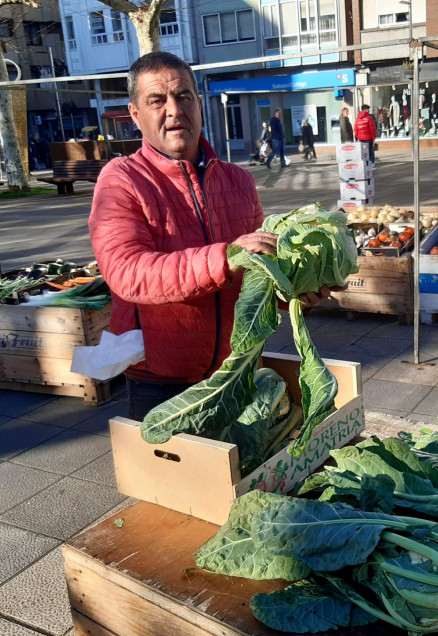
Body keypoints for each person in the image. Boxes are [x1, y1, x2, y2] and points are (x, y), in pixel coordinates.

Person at [87, 52, 330, 420]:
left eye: (184, 96)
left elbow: (257, 275)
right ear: (135, 114)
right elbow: (126, 272)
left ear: (198, 103)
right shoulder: (122, 179)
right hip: (160, 378)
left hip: (236, 369)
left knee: (238, 474)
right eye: (157, 100)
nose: (174, 109)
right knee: (170, 476)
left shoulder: (238, 180)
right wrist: (225, 257)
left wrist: (296, 290)